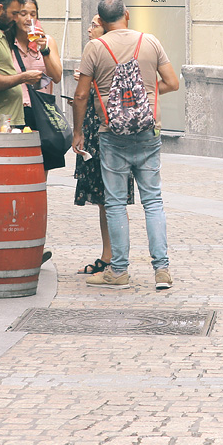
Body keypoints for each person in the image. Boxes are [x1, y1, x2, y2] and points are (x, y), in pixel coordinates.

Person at [73, 0, 180, 290]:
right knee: (153, 201)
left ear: (103, 22)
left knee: (116, 202)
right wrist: (142, 95)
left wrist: (78, 131)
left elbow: (81, 95)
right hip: (149, 132)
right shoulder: (151, 42)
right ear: (127, 15)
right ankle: (162, 270)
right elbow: (172, 82)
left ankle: (118, 271)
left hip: (111, 133)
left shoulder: (95, 48)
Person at [73, 14, 134, 276]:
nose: (90, 28)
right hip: (97, 128)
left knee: (112, 199)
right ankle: (109, 255)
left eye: (95, 23)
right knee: (103, 199)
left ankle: (115, 259)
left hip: (104, 130)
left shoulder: (107, 52)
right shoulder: (97, 53)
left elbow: (96, 92)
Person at [10, 0, 63, 107]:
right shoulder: (7, 43)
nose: (29, 19)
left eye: (33, 14)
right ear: (15, 16)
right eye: (23, 14)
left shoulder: (47, 41)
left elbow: (57, 77)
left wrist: (44, 50)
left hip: (41, 109)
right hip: (15, 110)